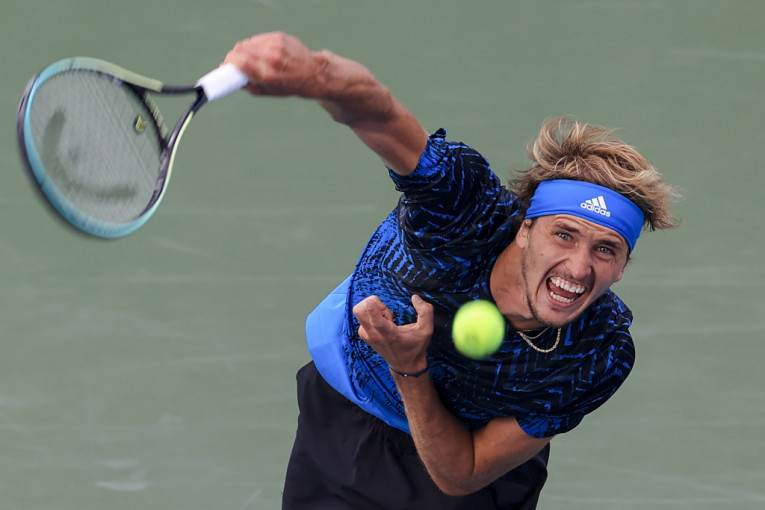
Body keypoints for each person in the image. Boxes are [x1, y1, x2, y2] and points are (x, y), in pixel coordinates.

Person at [223, 32, 680, 509]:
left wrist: (410, 368)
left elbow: (463, 474)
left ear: (622, 268)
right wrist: (316, 75)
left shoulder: (599, 351)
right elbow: (381, 118)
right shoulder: (462, 208)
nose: (579, 267)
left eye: (606, 249)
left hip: (471, 467)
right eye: (564, 235)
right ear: (525, 228)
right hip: (345, 424)